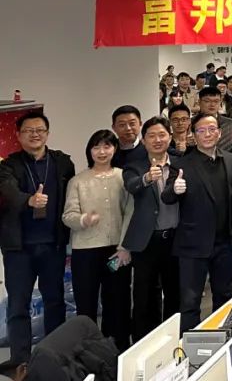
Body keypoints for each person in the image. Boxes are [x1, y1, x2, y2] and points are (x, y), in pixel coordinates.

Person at [0, 112, 75, 365]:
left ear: (47, 133)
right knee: (18, 305)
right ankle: (20, 360)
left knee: (54, 301)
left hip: (53, 244)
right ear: (19, 135)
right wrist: (29, 200)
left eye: (40, 130)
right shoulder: (8, 165)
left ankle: (54, 357)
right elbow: (8, 191)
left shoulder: (62, 162)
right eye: (29, 130)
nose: (35, 134)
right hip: (18, 247)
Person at [163, 113, 232, 332]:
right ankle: (188, 347)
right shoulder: (182, 164)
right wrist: (175, 189)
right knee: (190, 303)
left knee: (225, 297)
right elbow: (167, 196)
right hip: (193, 245)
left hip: (225, 242)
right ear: (193, 134)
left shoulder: (230, 159)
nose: (207, 134)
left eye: (212, 129)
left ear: (219, 132)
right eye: (201, 130)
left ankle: (224, 341)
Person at [63, 130, 132, 351]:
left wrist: (125, 246)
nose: (102, 152)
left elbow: (130, 214)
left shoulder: (123, 177)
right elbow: (68, 216)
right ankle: (89, 353)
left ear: (115, 149)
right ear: (90, 151)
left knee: (117, 303)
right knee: (86, 305)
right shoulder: (78, 181)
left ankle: (117, 350)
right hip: (86, 252)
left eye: (107, 146)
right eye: (96, 147)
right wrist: (83, 219)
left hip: (116, 251)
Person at [122, 117, 181, 341]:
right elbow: (131, 185)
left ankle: (173, 340)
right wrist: (147, 178)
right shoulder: (134, 166)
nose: (157, 140)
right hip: (147, 241)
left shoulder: (180, 163)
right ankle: (144, 342)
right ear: (144, 140)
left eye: (162, 135)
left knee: (175, 292)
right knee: (145, 296)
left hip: (175, 238)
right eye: (151, 136)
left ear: (170, 137)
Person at [197, 87, 232, 154]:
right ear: (199, 102)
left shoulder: (230, 123)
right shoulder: (191, 123)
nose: (212, 104)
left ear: (220, 102)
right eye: (207, 101)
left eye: (216, 101)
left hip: (225, 159)